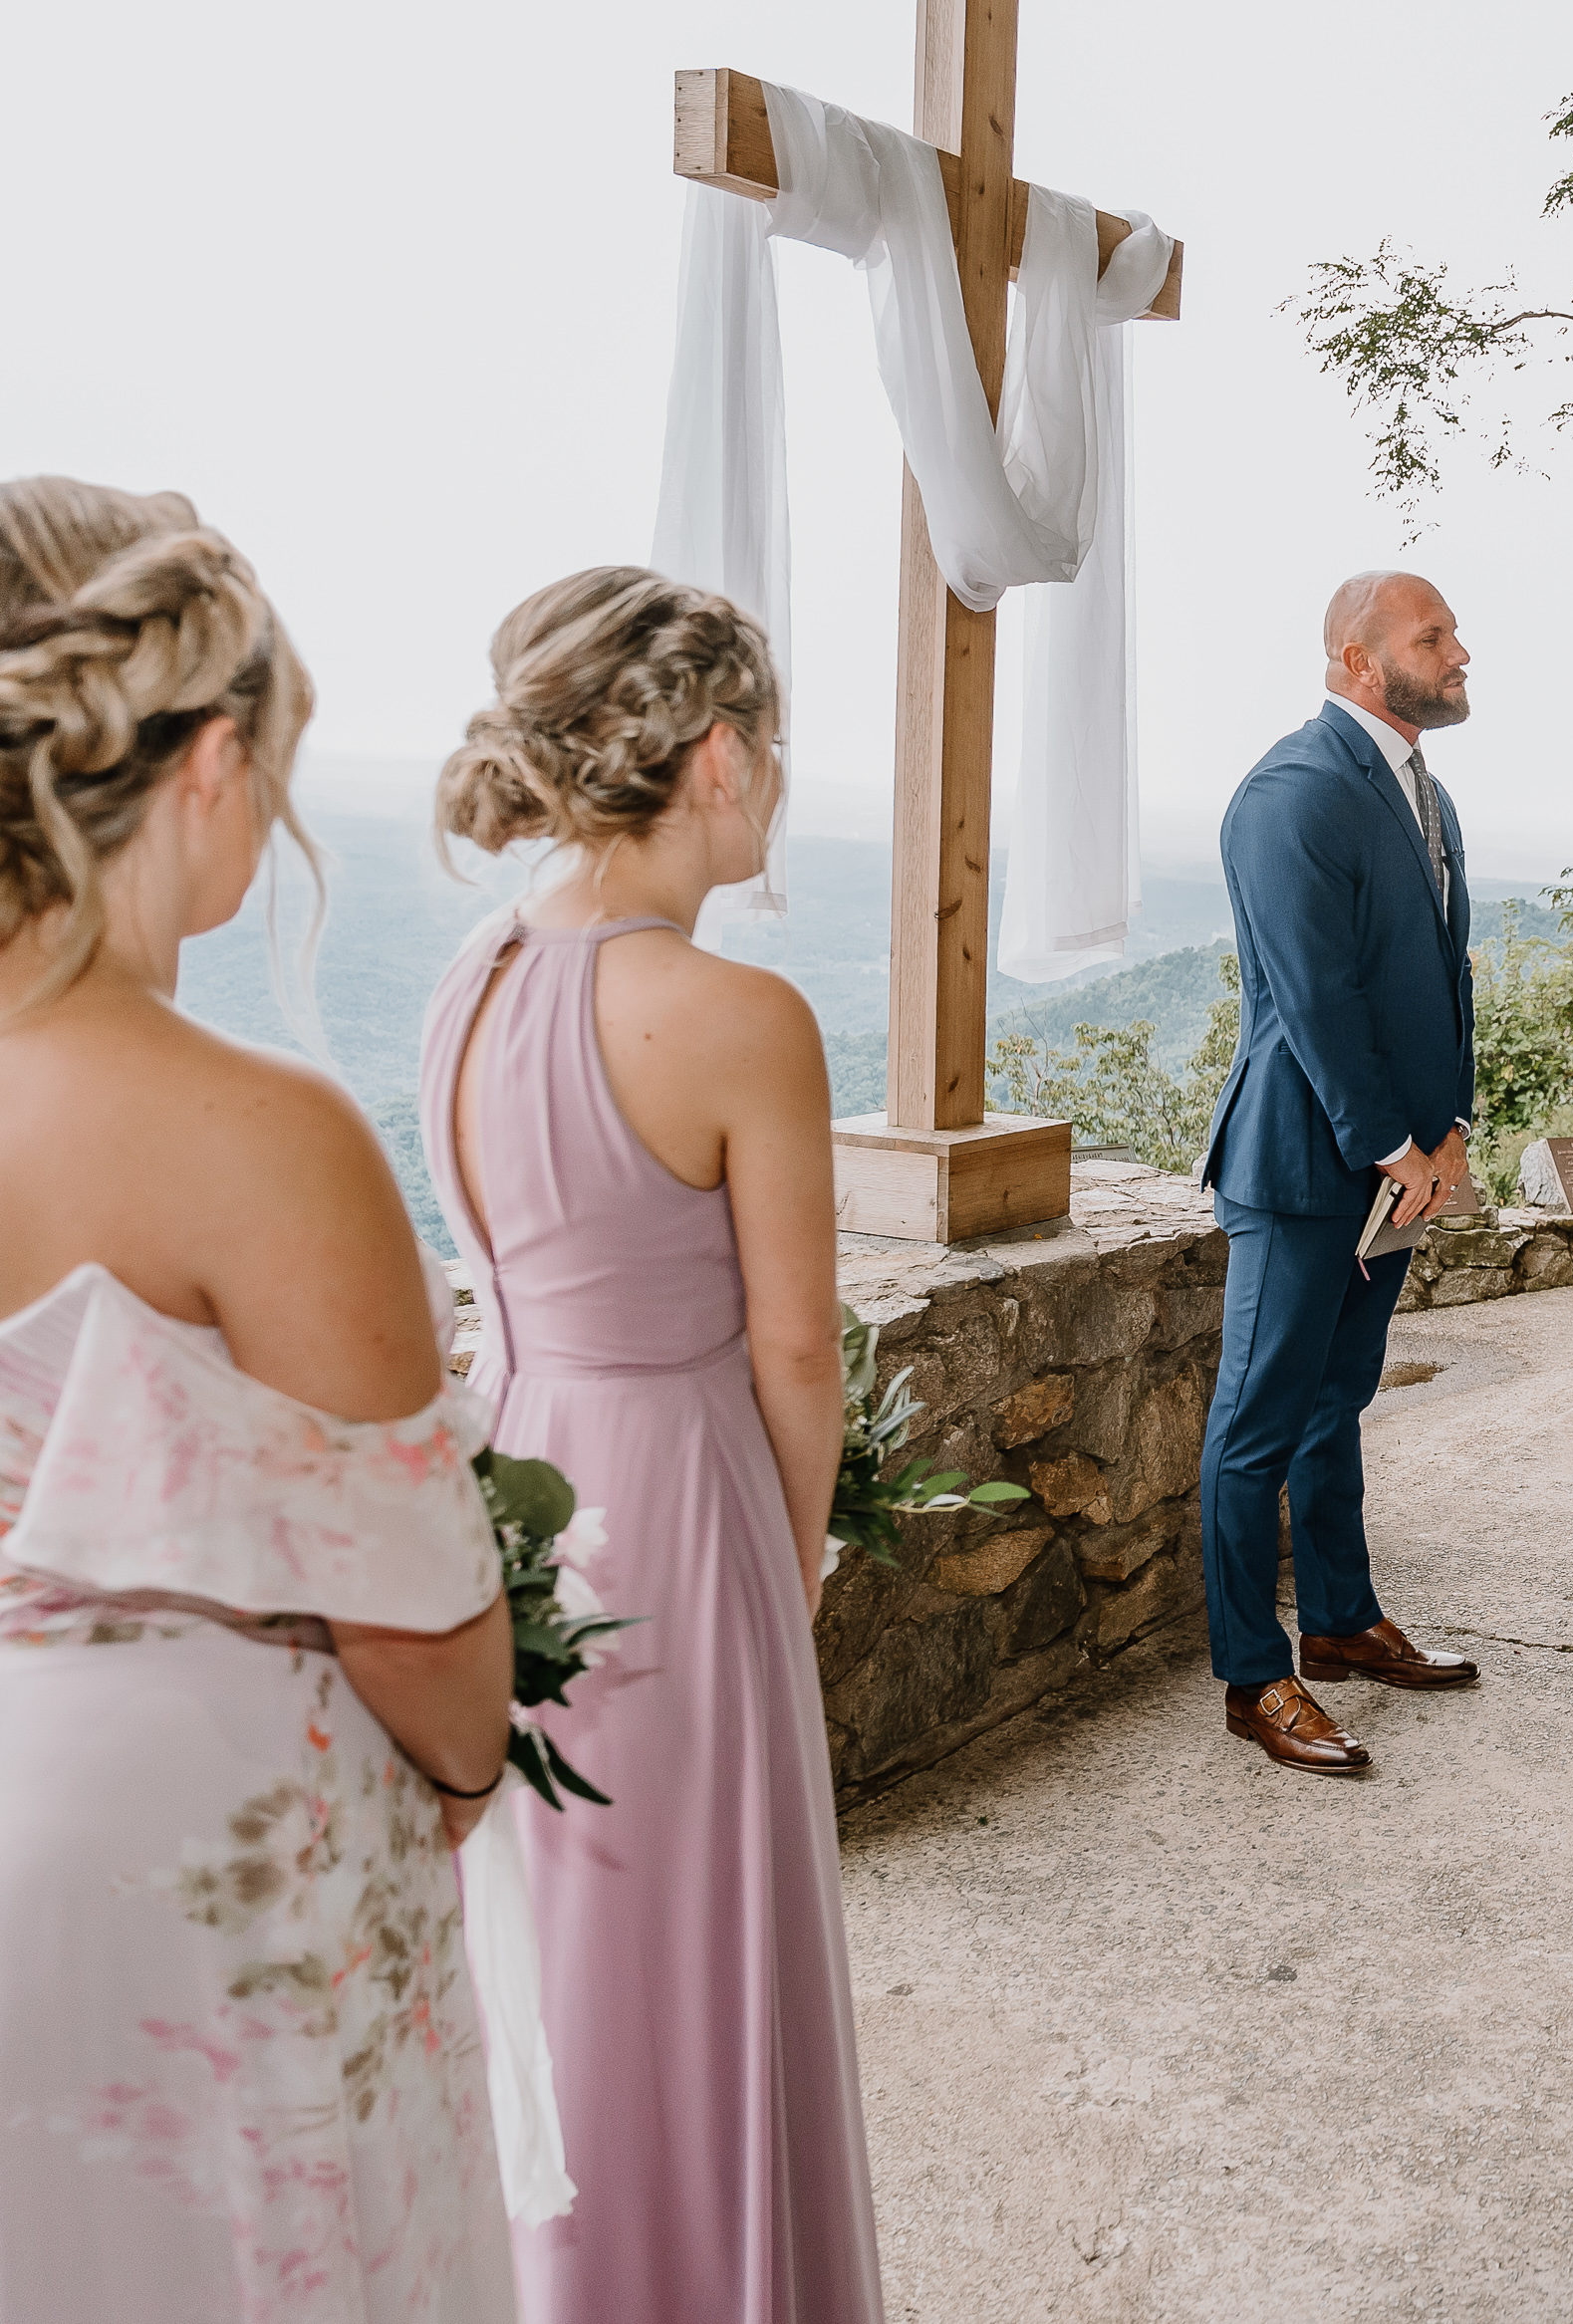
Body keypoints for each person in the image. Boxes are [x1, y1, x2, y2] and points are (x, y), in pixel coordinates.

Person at [0, 479, 516, 2319]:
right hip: (182, 1854)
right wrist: (469, 1764)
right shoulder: (256, 1132)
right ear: (209, 763)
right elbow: (423, 1627)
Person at [424, 567, 882, 2318]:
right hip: (683, 1513)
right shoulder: (737, 1018)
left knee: (558, 1947)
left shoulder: (474, 978)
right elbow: (794, 1349)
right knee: (701, 1939)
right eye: (773, 744)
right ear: (718, 757)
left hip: (518, 1497)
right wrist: (793, 1558)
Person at [1194, 573, 1485, 1768]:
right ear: (1359, 659)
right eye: (1433, 635)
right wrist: (1391, 1144)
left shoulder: (1427, 791)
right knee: (1254, 1423)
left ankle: (1341, 1620)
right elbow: (1316, 996)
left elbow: (1440, 982)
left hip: (1397, 1167)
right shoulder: (1290, 791)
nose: (1460, 650)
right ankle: (1251, 1677)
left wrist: (1449, 1126)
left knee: (1336, 1400)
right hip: (1302, 1166)